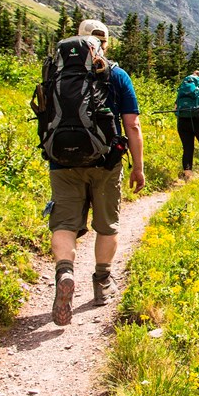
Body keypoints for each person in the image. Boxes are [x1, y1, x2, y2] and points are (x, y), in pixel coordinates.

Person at [49, 19, 145, 326]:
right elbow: (132, 124)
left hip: (62, 161)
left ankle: (64, 271)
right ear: (105, 42)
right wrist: (138, 167)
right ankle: (102, 281)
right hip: (105, 162)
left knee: (63, 221)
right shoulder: (115, 74)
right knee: (107, 224)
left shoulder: (55, 69)